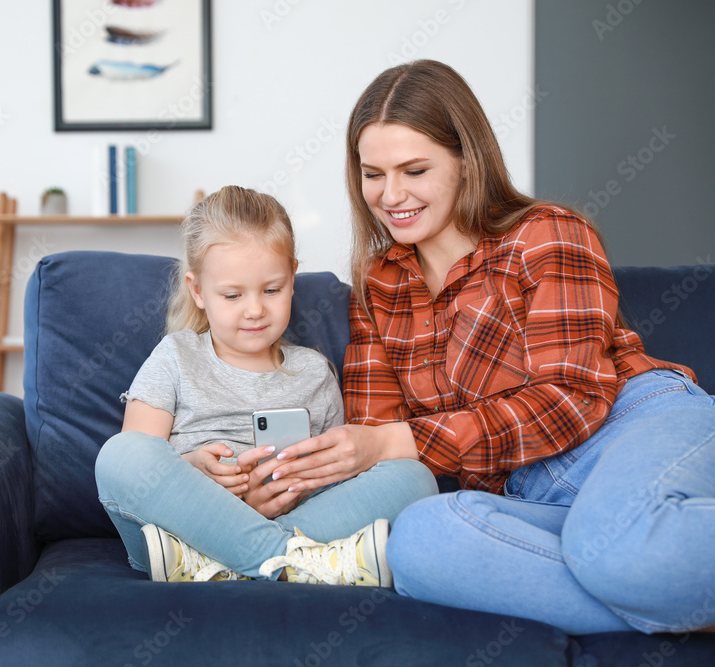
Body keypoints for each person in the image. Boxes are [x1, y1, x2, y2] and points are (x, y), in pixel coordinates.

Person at [265, 59, 714, 635]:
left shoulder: (549, 232)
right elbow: (377, 445)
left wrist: (388, 442)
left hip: (630, 424)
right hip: (529, 490)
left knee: (613, 546)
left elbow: (570, 399)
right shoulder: (379, 283)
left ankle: (644, 576)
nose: (390, 194)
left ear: (465, 160)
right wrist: (287, 481)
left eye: (415, 169)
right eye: (372, 173)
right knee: (420, 543)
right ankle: (670, 598)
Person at [95, 185, 438, 585]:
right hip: (182, 533)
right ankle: (290, 563)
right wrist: (193, 470)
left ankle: (239, 565)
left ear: (293, 278)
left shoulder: (313, 372)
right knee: (121, 455)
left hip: (286, 524)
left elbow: (334, 476)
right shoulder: (176, 356)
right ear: (197, 290)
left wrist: (279, 500)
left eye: (271, 290)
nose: (255, 309)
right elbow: (141, 451)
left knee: (415, 478)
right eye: (232, 295)